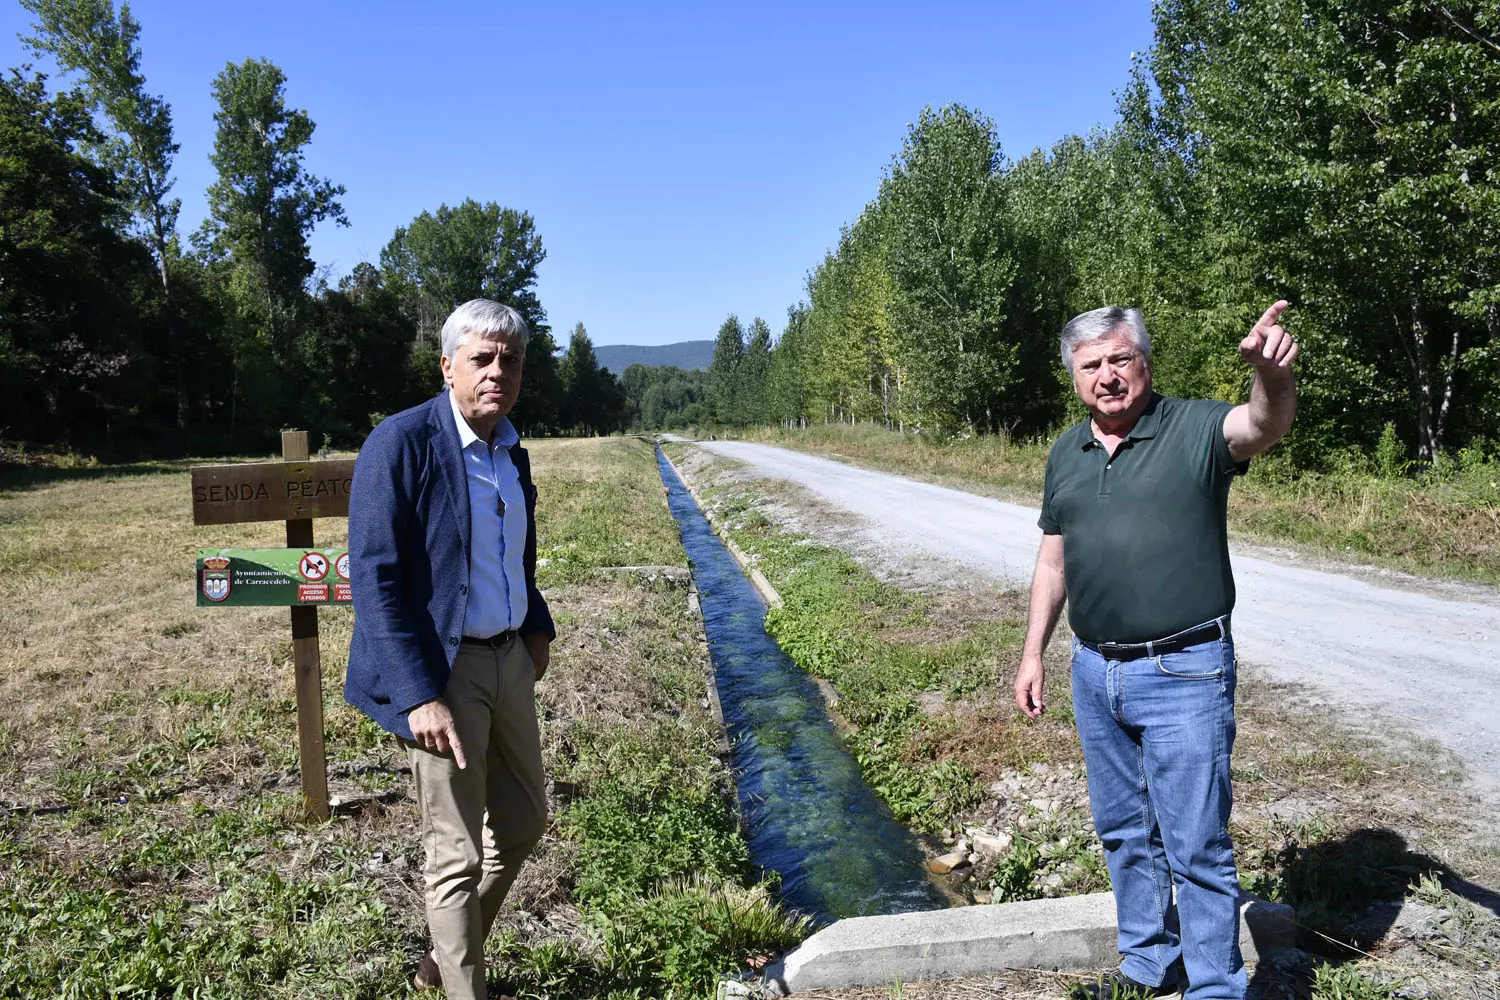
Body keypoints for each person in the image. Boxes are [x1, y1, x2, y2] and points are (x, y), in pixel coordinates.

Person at [1013, 302, 1298, 1000]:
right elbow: (1054, 562)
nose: (1107, 377)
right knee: (1122, 833)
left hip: (1185, 669)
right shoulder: (1065, 452)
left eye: (1119, 359)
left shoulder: (1194, 428)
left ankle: (1213, 988)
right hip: (1093, 669)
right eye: (1091, 366)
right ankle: (1147, 965)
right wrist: (1032, 654)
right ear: (1074, 376)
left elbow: (1262, 424)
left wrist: (1270, 376)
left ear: (1144, 361)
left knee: (1196, 845)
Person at [346, 298, 555, 1000]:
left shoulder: (510, 448)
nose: (500, 371)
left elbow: (513, 557)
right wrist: (417, 693)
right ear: (448, 366)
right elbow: (374, 578)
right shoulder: (401, 445)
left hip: (508, 660)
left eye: (512, 360)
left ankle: (445, 951)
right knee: (456, 853)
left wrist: (536, 629)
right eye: (484, 358)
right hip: (444, 669)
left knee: (525, 820)